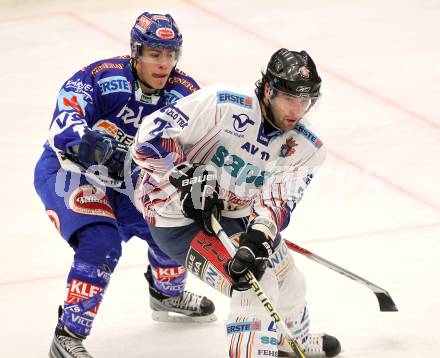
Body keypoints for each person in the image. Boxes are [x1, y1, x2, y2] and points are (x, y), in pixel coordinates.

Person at [131, 48, 342, 357]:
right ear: (269, 90)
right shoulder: (223, 103)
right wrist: (182, 174)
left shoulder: (308, 148)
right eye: (289, 98)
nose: (297, 110)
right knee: (255, 284)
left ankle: (288, 341)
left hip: (236, 214)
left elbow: (278, 203)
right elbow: (149, 136)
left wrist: (257, 238)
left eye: (305, 100)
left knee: (289, 279)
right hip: (174, 215)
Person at [34, 12, 216, 358]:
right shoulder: (102, 78)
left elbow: (205, 147)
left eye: (170, 54)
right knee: (101, 242)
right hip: (71, 172)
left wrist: (202, 181)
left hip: (131, 181)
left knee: (173, 220)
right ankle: (67, 335)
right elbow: (62, 126)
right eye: (154, 54)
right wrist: (97, 149)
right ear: (136, 52)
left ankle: (166, 292)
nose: (163, 63)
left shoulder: (187, 94)